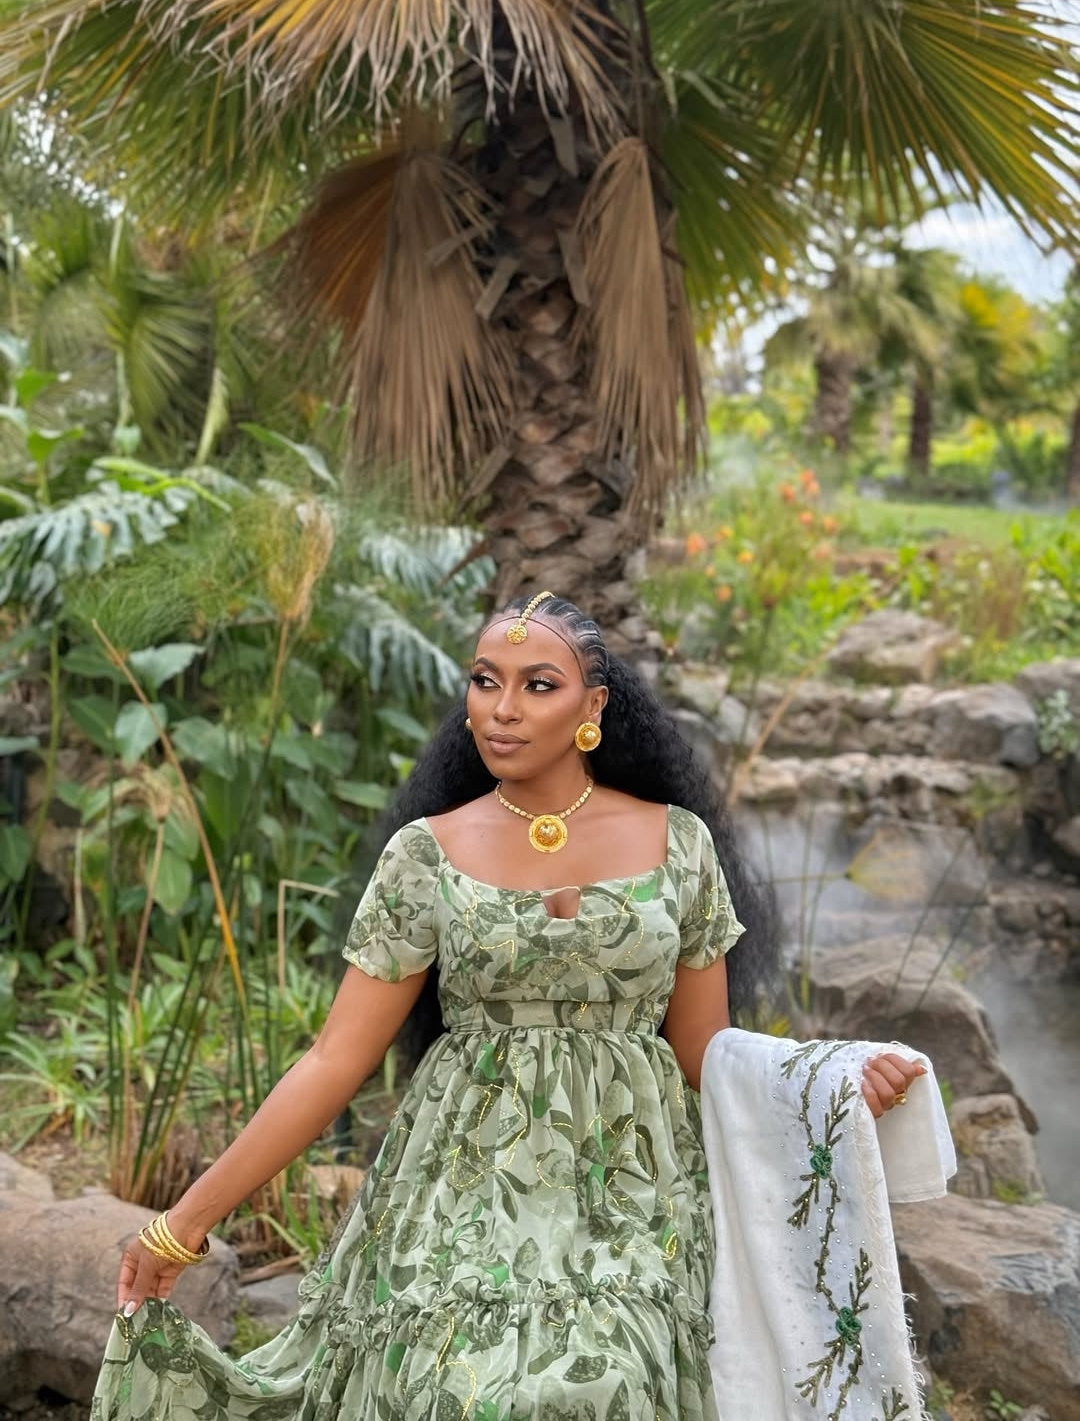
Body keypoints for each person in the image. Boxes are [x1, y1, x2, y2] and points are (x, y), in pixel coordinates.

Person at [96, 591, 925, 1421]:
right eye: (486, 680)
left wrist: (827, 1081)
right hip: (459, 1186)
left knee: (609, 1383)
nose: (502, 708)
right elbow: (333, 1059)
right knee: (450, 1390)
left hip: (632, 1192)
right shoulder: (426, 854)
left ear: (592, 708)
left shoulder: (680, 844)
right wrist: (183, 1224)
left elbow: (704, 1049)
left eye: (538, 685)